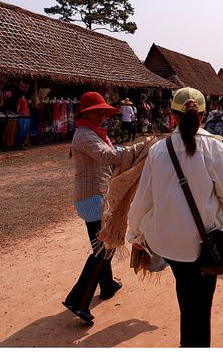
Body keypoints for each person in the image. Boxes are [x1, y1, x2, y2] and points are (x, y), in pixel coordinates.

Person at [127, 87, 223, 348]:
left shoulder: (158, 150)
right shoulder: (216, 148)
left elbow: (143, 198)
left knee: (185, 294)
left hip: (170, 244)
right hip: (205, 244)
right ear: (202, 115)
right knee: (202, 305)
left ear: (173, 115)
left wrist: (133, 233)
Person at [63, 92, 133, 323]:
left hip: (95, 196)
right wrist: (131, 151)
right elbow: (106, 156)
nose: (103, 115)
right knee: (104, 247)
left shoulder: (93, 132)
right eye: (98, 111)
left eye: (104, 111)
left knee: (104, 244)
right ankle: (78, 300)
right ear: (87, 113)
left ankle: (107, 285)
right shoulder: (84, 135)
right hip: (92, 198)